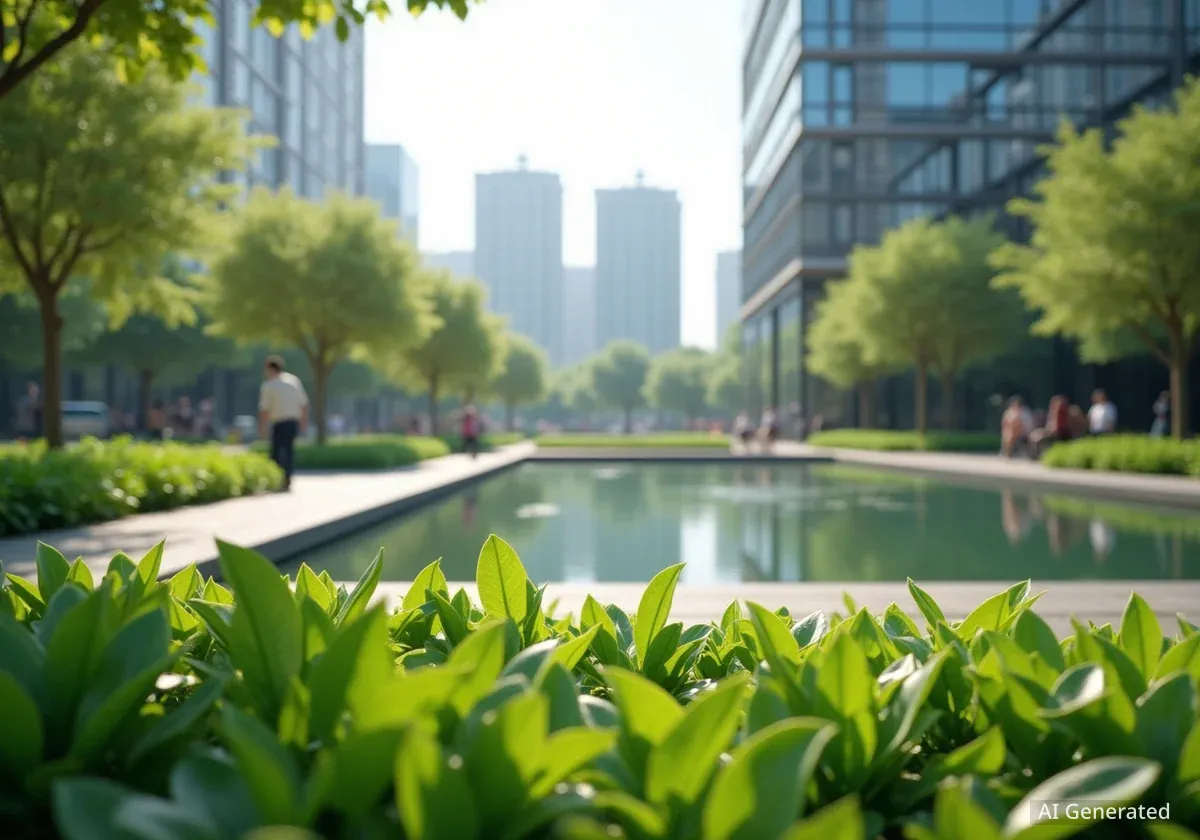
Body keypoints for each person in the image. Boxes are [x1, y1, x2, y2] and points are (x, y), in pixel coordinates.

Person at [259, 355, 309, 491]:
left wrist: (263, 427)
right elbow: (304, 404)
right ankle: (287, 479)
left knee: (276, 453)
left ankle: (275, 479)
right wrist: (304, 421)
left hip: (279, 422)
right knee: (289, 451)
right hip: (293, 422)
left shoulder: (269, 385)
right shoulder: (294, 381)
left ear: (270, 369)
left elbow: (265, 409)